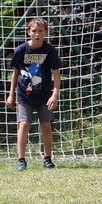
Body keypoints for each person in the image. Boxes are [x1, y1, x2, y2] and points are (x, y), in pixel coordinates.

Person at [5, 18, 61, 170]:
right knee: (24, 124)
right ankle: (21, 160)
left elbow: (56, 74)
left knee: (46, 125)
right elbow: (15, 74)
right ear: (28, 32)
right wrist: (11, 95)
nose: (37, 34)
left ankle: (47, 158)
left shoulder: (50, 51)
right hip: (24, 96)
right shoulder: (21, 50)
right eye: (34, 31)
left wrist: (55, 94)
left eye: (40, 31)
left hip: (44, 95)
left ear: (46, 33)